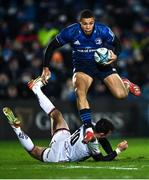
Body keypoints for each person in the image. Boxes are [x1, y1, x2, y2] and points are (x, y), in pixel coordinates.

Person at [40, 9, 141, 142]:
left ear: (94, 22)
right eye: (85, 23)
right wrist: (45, 67)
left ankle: (125, 83)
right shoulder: (71, 32)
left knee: (121, 95)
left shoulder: (103, 30)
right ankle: (88, 129)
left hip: (102, 65)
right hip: (82, 67)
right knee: (79, 92)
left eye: (91, 23)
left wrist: (116, 54)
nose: (88, 26)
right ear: (79, 23)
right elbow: (51, 46)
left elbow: (117, 43)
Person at [3, 77, 128, 162]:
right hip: (59, 156)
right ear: (101, 133)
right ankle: (17, 128)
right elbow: (101, 160)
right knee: (34, 150)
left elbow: (104, 140)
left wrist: (110, 151)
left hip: (63, 140)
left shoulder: (90, 124)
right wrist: (118, 150)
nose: (107, 137)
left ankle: (36, 89)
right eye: (107, 134)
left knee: (56, 114)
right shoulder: (93, 142)